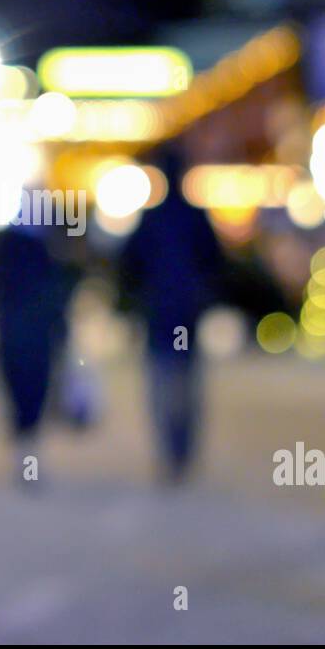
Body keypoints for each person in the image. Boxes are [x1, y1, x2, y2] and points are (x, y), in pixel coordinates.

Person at [119, 148, 224, 484]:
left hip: (164, 318)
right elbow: (215, 263)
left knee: (166, 388)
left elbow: (129, 265)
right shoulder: (193, 217)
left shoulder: (154, 219)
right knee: (184, 387)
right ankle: (180, 451)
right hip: (184, 319)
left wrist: (136, 299)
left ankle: (173, 452)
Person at [0, 219, 77, 483]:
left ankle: (25, 458)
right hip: (35, 337)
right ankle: (28, 459)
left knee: (20, 397)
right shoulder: (47, 250)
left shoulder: (5, 248)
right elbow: (57, 296)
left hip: (13, 333)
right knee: (33, 397)